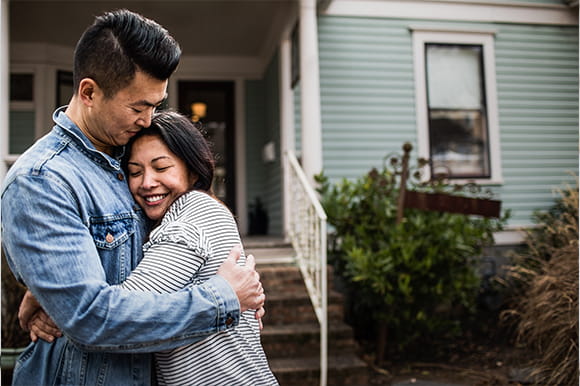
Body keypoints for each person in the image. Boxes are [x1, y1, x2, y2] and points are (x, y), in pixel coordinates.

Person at [1, 9, 264, 386]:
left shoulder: (128, 154)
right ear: (88, 92)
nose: (148, 119)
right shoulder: (42, 181)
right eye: (138, 107)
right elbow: (91, 318)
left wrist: (242, 288)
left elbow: (170, 247)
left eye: (155, 105)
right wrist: (223, 300)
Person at [118, 111, 279, 385]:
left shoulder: (193, 210)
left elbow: (123, 315)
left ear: (192, 171)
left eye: (161, 167)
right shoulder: (175, 218)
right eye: (135, 172)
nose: (146, 183)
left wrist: (59, 301)